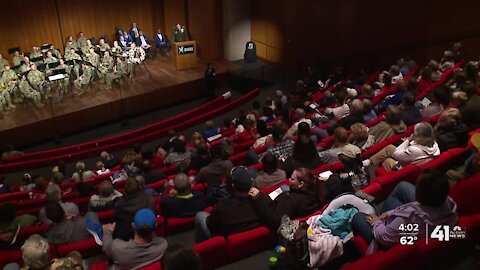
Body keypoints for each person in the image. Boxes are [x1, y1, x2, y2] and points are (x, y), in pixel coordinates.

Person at [351, 169, 458, 255]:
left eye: (417, 186)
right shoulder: (447, 201)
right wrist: (390, 213)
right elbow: (413, 207)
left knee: (358, 217)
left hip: (387, 239)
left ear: (420, 194)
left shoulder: (407, 219)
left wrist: (376, 223)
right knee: (403, 186)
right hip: (423, 221)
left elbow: (384, 237)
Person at [195, 166, 262, 242]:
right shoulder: (261, 200)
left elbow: (211, 225)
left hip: (227, 240)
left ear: (233, 186)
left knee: (200, 215)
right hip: (256, 241)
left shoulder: (222, 206)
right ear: (251, 183)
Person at [250, 167, 320, 230]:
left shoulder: (290, 200)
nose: (289, 180)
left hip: (276, 210)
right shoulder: (318, 193)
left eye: (292, 179)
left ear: (301, 184)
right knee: (284, 187)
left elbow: (275, 222)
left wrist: (258, 198)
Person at [103, 208, 168, 270]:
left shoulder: (117, 247)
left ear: (133, 226)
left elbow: (106, 247)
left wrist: (107, 232)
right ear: (155, 226)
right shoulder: (163, 246)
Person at [364, 122, 440, 172]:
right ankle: (369, 162)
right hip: (413, 163)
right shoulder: (434, 145)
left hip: (404, 170)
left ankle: (370, 171)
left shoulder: (414, 150)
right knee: (390, 147)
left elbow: (396, 154)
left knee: (386, 160)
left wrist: (408, 140)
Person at [113, 177, 155, 241]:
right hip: (147, 235)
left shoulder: (118, 205)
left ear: (125, 190)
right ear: (139, 187)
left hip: (127, 237)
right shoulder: (149, 199)